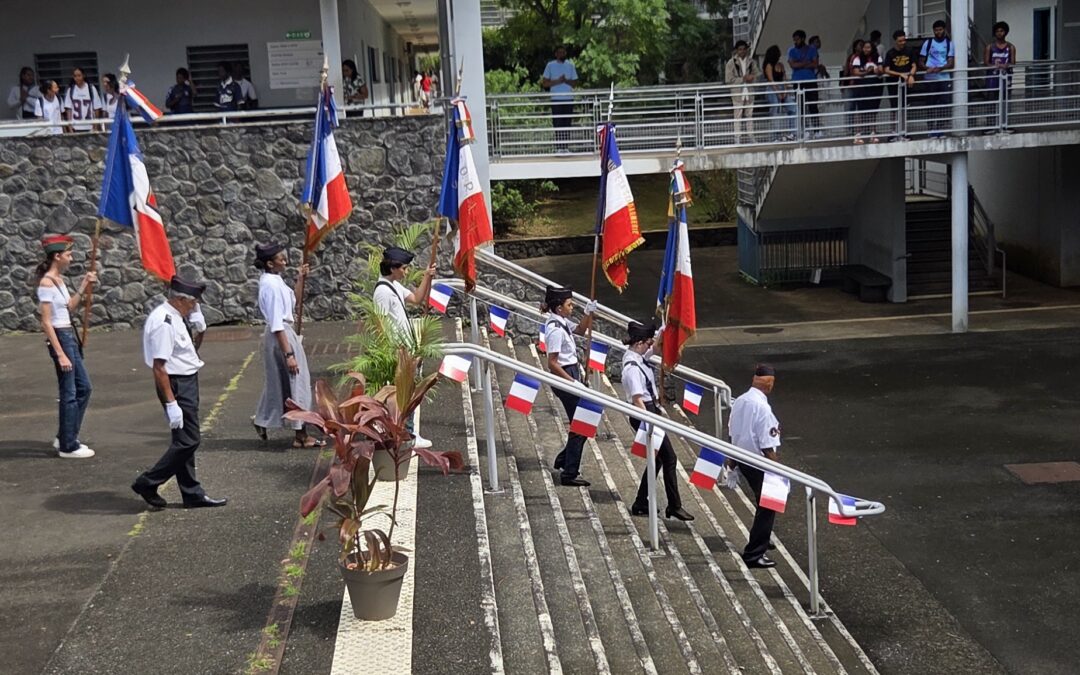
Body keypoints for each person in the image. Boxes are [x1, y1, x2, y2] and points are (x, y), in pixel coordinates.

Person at [131, 275, 227, 509]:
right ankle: (148, 482)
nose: (194, 307)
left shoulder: (177, 317)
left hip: (186, 380)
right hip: (176, 384)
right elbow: (159, 367)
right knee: (189, 441)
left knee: (184, 441)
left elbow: (190, 352)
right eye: (193, 303)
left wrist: (200, 329)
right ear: (180, 300)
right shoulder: (164, 323)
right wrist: (171, 403)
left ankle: (192, 493)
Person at [251, 243, 322, 448]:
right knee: (297, 381)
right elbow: (276, 323)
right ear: (269, 263)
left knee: (280, 382)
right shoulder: (271, 285)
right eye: (281, 258)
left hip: (283, 333)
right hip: (281, 335)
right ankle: (301, 435)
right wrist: (289, 354)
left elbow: (294, 302)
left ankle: (263, 419)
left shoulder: (276, 280)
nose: (285, 260)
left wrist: (300, 279)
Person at [622, 320, 693, 521]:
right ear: (639, 343)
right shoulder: (632, 367)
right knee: (669, 458)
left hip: (650, 410)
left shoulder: (637, 356)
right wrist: (649, 424)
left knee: (659, 460)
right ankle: (674, 505)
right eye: (647, 342)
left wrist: (665, 326)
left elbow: (654, 348)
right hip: (644, 413)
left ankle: (641, 501)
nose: (651, 345)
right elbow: (637, 400)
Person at [36, 235, 97, 459]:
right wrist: (60, 354)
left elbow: (69, 306)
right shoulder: (46, 283)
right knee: (69, 392)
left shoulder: (58, 281)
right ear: (57, 256)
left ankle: (65, 435)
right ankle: (68, 446)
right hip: (61, 338)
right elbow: (46, 322)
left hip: (69, 336)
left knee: (84, 388)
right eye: (68, 255)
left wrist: (84, 285)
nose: (71, 259)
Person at [371, 246, 437, 449]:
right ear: (393, 268)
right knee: (404, 396)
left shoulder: (395, 286)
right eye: (404, 268)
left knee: (409, 394)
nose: (406, 272)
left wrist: (427, 276)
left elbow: (416, 299)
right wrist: (392, 354)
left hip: (406, 349)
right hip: (398, 351)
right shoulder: (382, 292)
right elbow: (380, 325)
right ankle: (407, 436)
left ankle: (409, 434)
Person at [542, 285, 597, 486]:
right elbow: (552, 363)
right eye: (569, 304)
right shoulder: (555, 329)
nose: (572, 307)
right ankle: (569, 472)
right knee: (582, 425)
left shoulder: (562, 322)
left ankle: (564, 460)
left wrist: (588, 313)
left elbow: (580, 330)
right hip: (565, 376)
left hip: (572, 372)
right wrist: (572, 382)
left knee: (584, 422)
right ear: (559, 308)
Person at [729, 364, 782, 569]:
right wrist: (778, 471)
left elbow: (733, 430)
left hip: (742, 456)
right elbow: (767, 445)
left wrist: (732, 460)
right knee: (769, 505)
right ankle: (754, 553)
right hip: (758, 461)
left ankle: (762, 536)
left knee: (763, 503)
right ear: (770, 384)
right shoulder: (763, 408)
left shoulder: (740, 400)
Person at [918, 20, 955, 135]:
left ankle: (940, 128)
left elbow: (951, 62)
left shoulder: (949, 44)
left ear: (944, 30)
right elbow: (921, 61)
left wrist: (941, 68)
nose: (938, 32)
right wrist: (927, 68)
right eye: (936, 30)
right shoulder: (928, 43)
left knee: (944, 103)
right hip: (930, 78)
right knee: (930, 103)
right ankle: (930, 129)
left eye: (940, 29)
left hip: (944, 78)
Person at [542, 46, 579, 151]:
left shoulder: (570, 65)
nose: (562, 54)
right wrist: (558, 81)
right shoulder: (550, 65)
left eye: (564, 52)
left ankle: (566, 147)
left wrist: (565, 81)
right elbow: (545, 83)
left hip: (568, 99)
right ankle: (559, 147)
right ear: (556, 54)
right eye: (560, 52)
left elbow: (575, 83)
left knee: (567, 123)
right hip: (556, 99)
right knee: (557, 123)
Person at [884, 30, 917, 140]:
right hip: (893, 83)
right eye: (900, 41)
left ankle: (903, 130)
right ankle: (894, 131)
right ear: (895, 41)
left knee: (904, 107)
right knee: (894, 107)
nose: (903, 43)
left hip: (906, 82)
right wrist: (900, 74)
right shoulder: (890, 53)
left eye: (904, 40)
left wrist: (911, 75)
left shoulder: (910, 51)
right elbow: (886, 69)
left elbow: (914, 65)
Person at [725, 40, 760, 144]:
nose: (742, 51)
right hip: (737, 92)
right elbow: (728, 79)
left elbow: (757, 74)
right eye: (740, 49)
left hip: (749, 91)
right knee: (738, 115)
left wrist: (752, 77)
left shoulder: (751, 62)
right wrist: (743, 79)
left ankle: (751, 136)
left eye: (744, 49)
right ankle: (737, 138)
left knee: (749, 115)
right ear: (736, 50)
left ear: (746, 50)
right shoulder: (731, 63)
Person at [984, 21, 1016, 131]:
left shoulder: (1011, 47)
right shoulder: (990, 47)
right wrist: (995, 66)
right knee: (991, 101)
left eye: (1001, 31)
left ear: (1005, 32)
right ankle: (990, 125)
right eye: (997, 31)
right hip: (992, 78)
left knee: (1005, 101)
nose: (999, 33)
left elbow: (1013, 62)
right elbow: (986, 62)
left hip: (1006, 78)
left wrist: (1006, 65)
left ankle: (1005, 124)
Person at [788, 30, 819, 137]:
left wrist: (799, 64)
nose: (795, 42)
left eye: (797, 39)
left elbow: (815, 64)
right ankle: (802, 130)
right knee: (800, 107)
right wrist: (806, 63)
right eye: (794, 40)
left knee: (813, 106)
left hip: (810, 81)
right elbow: (792, 65)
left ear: (803, 39)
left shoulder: (812, 49)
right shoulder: (791, 51)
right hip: (798, 82)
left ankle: (816, 130)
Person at [851, 41, 884, 143]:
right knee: (860, 111)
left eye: (868, 47)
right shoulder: (857, 58)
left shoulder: (877, 58)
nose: (866, 49)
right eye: (865, 47)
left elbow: (881, 70)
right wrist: (866, 72)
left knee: (873, 111)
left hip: (875, 87)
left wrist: (876, 71)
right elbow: (856, 72)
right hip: (862, 88)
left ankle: (873, 134)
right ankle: (858, 135)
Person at [762, 45, 795, 140]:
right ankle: (775, 135)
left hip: (781, 88)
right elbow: (771, 81)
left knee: (793, 107)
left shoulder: (781, 65)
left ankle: (793, 132)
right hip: (772, 88)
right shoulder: (769, 65)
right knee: (775, 108)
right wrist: (778, 92)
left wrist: (785, 91)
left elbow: (784, 79)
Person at [62, 67, 101, 133]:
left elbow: (96, 108)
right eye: (75, 76)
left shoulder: (91, 89)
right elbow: (68, 109)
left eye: (79, 75)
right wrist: (70, 127)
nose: (77, 78)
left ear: (84, 75)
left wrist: (95, 126)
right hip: (75, 127)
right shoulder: (71, 90)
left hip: (89, 126)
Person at [842, 39, 866, 127]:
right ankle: (850, 129)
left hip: (862, 85)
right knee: (850, 107)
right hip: (851, 85)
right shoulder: (851, 57)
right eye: (860, 45)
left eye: (863, 45)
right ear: (855, 47)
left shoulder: (865, 58)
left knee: (862, 107)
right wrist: (843, 83)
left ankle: (863, 128)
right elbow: (846, 70)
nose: (862, 47)